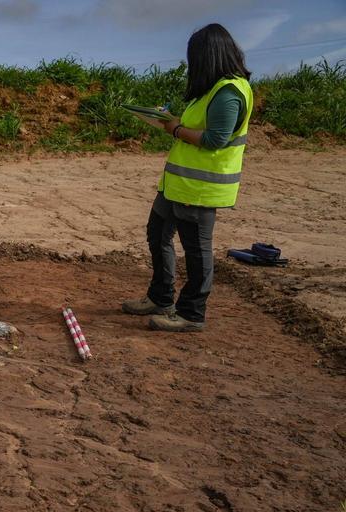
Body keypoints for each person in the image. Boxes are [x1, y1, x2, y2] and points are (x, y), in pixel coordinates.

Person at [122, 23, 254, 332]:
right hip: (177, 185)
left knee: (196, 251)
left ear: (207, 56)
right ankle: (161, 297)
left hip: (200, 189)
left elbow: (216, 138)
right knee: (158, 234)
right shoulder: (213, 89)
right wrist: (173, 121)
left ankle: (191, 313)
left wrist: (176, 129)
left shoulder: (229, 91)